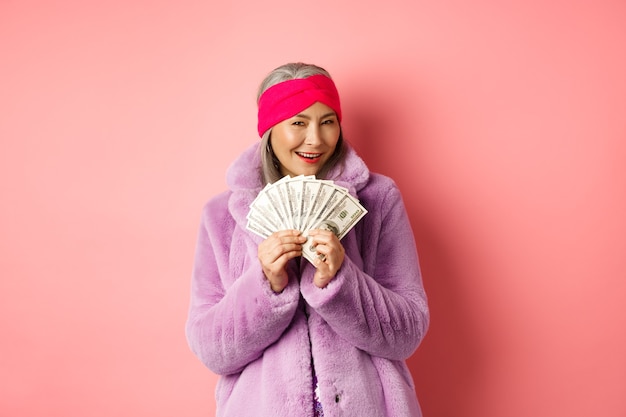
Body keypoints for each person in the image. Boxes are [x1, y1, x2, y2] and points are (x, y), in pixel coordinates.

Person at [185, 62, 429, 417]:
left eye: (328, 121)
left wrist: (341, 280)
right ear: (270, 129)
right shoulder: (220, 216)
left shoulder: (379, 200)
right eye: (298, 122)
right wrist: (266, 284)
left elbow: (407, 332)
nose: (316, 139)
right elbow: (211, 349)